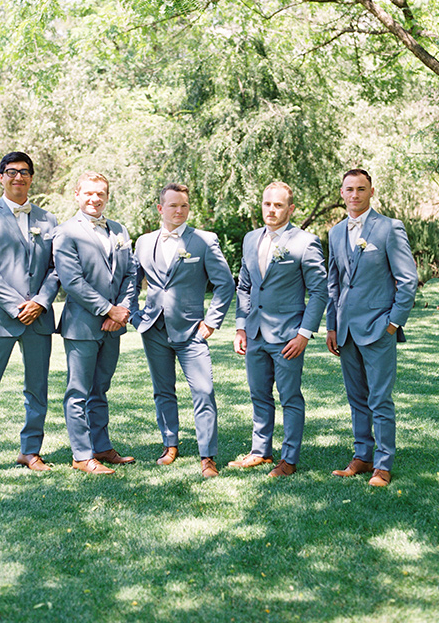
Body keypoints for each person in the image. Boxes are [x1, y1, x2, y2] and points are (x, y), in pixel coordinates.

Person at [0, 152, 59, 480]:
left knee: (37, 389)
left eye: (24, 172)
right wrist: (18, 305)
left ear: (32, 177)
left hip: (39, 319)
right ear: (1, 176)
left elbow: (55, 268)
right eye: (11, 172)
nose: (18, 177)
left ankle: (30, 451)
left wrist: (41, 302)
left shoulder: (49, 221)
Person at [131, 183, 235, 478]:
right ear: (160, 208)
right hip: (154, 329)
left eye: (184, 206)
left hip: (192, 332)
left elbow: (225, 284)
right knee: (162, 391)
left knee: (203, 391)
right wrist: (137, 318)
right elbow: (132, 281)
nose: (179, 211)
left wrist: (212, 322)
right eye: (173, 206)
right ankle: (170, 444)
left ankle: (207, 456)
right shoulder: (143, 242)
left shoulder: (203, 241)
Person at [326, 169, 418, 486]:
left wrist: (393, 323)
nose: (355, 195)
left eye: (361, 189)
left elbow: (407, 281)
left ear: (371, 191)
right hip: (346, 330)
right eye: (349, 189)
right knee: (357, 398)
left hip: (379, 328)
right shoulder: (336, 233)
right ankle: (363, 457)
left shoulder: (389, 228)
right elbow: (333, 284)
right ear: (341, 193)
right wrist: (331, 326)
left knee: (380, 399)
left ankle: (383, 464)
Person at [230, 181, 328, 477]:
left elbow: (319, 292)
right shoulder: (250, 239)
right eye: (267, 204)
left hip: (288, 337)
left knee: (290, 398)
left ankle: (289, 459)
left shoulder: (305, 242)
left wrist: (304, 334)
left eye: (278, 205)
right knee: (259, 395)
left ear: (291, 208)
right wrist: (240, 327)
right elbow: (245, 286)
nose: (271, 210)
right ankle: (261, 451)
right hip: (255, 334)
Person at [53, 172, 136, 475]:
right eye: (88, 193)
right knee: (78, 391)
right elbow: (71, 281)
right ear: (77, 194)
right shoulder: (65, 232)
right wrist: (108, 310)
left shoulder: (119, 230)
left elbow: (130, 273)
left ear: (107, 197)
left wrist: (123, 308)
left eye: (100, 193)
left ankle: (101, 446)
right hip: (82, 325)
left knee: (100, 389)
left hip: (113, 326)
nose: (95, 199)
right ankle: (81, 454)